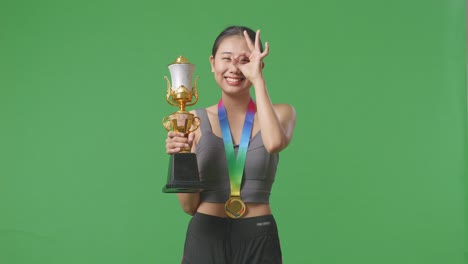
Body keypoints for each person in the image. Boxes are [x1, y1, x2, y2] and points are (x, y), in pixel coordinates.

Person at [165, 25, 296, 264]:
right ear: (213, 63)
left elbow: (274, 143)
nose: (235, 67)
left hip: (259, 234)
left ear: (259, 64)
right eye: (226, 59)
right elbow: (188, 205)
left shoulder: (282, 113)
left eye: (245, 59)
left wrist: (258, 81)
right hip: (205, 234)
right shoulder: (190, 120)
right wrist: (182, 155)